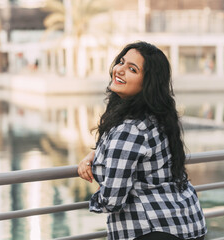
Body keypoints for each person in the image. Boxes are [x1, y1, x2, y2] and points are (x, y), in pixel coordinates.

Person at [78, 41, 207, 240]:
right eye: (121, 62)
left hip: (151, 230)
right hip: (187, 224)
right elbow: (136, 155)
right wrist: (93, 155)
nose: (119, 70)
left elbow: (112, 200)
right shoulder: (158, 118)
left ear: (147, 82)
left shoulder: (129, 129)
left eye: (132, 69)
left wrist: (100, 193)